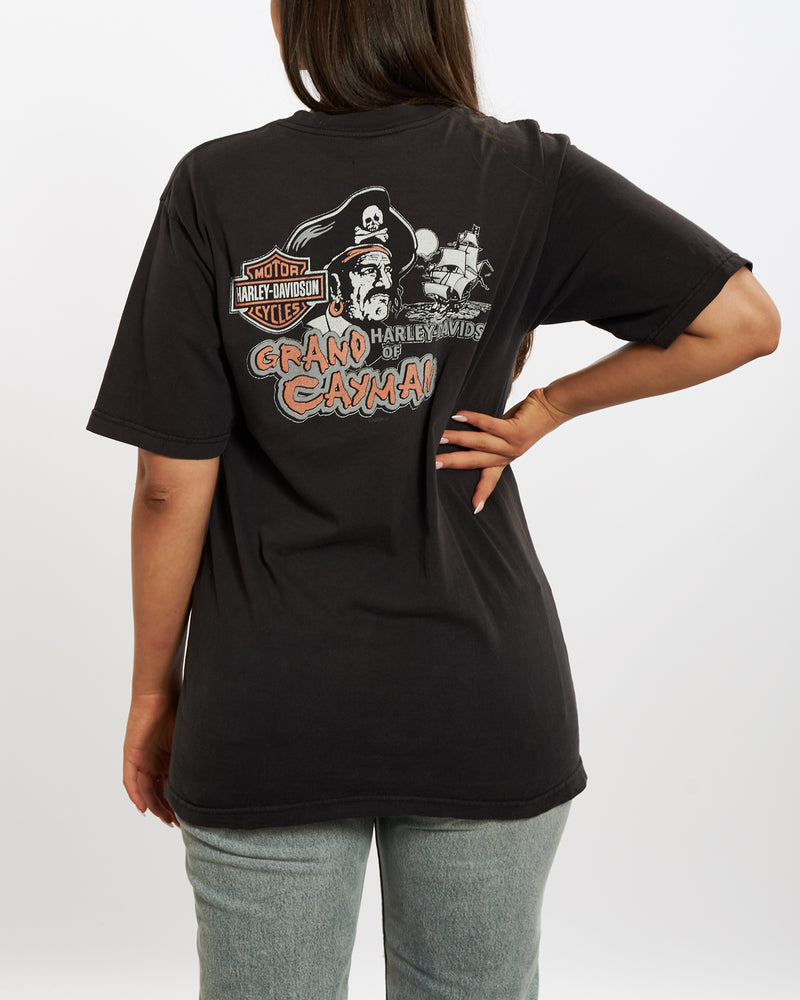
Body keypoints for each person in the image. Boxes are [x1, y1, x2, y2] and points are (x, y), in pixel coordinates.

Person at [85, 1, 780, 997]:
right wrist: (546, 407)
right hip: (482, 686)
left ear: (292, 19)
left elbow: (167, 486)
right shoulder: (524, 173)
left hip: (267, 699)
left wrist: (155, 692)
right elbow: (743, 321)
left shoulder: (215, 184)